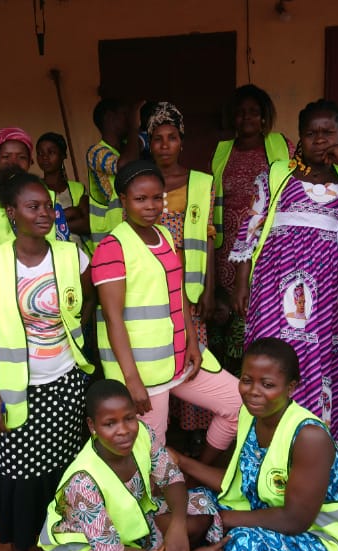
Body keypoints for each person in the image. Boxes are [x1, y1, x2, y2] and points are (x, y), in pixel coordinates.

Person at [230, 99, 338, 442]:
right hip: (273, 284)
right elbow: (249, 229)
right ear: (299, 135)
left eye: (328, 132)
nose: (320, 140)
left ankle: (311, 440)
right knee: (269, 355)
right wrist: (241, 283)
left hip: (327, 289)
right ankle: (265, 438)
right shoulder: (277, 174)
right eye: (311, 133)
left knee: (317, 361)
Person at [0, 170, 95, 551]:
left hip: (65, 384)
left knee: (65, 470)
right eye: (33, 206)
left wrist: (70, 336)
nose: (44, 213)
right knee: (20, 475)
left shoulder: (71, 255)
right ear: (12, 212)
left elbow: (88, 301)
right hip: (15, 393)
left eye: (47, 206)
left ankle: (65, 547)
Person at [91, 160, 241, 464]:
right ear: (123, 200)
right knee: (151, 449)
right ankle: (162, 490)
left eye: (157, 198)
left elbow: (178, 295)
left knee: (238, 404)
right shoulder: (112, 248)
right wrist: (132, 380)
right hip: (144, 371)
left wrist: (192, 342)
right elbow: (113, 318)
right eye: (140, 199)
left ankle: (198, 470)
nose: (151, 206)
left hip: (180, 357)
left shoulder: (165, 235)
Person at [173, 338, 338, 551]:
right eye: (246, 380)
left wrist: (219, 519)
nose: (253, 392)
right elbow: (237, 483)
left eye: (267, 385)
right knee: (187, 506)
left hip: (326, 540)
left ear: (291, 387)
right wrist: (181, 461)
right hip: (266, 515)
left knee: (244, 545)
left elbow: (294, 520)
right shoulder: (249, 415)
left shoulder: (309, 436)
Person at [38, 379, 228, 551]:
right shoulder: (83, 482)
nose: (123, 431)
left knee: (200, 516)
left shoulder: (142, 434)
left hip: (131, 520)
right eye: (110, 423)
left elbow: (171, 478)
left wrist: (177, 527)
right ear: (92, 426)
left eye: (129, 418)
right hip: (89, 546)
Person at [144, 101, 219, 438]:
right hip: (151, 284)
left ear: (182, 142)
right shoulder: (141, 182)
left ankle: (192, 430)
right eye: (157, 138)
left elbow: (208, 238)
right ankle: (161, 428)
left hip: (189, 285)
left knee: (191, 351)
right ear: (149, 143)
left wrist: (209, 289)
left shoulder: (201, 183)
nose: (164, 145)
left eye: (171, 138)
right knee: (157, 349)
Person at [208, 85, 292, 373]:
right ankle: (230, 379)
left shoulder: (281, 146)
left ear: (264, 117)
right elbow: (211, 195)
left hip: (266, 244)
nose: (247, 118)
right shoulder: (222, 151)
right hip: (227, 247)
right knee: (225, 313)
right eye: (241, 112)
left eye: (254, 112)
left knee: (259, 310)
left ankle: (259, 374)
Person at [0, 127, 72, 257]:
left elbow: (64, 247)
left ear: (30, 162)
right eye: (6, 156)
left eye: (21, 157)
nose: (13, 162)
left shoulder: (50, 198)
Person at [86, 98, 145, 250]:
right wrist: (133, 127)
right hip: (111, 239)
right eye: (125, 114)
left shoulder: (127, 149)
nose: (129, 119)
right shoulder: (96, 152)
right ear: (110, 117)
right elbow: (124, 166)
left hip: (131, 232)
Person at [36, 131, 90, 248]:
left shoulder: (78, 188)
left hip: (80, 253)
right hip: (51, 253)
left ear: (63, 155)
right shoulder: (35, 190)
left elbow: (87, 225)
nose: (45, 157)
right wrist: (72, 213)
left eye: (51, 152)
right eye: (40, 153)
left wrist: (53, 224)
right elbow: (36, 226)